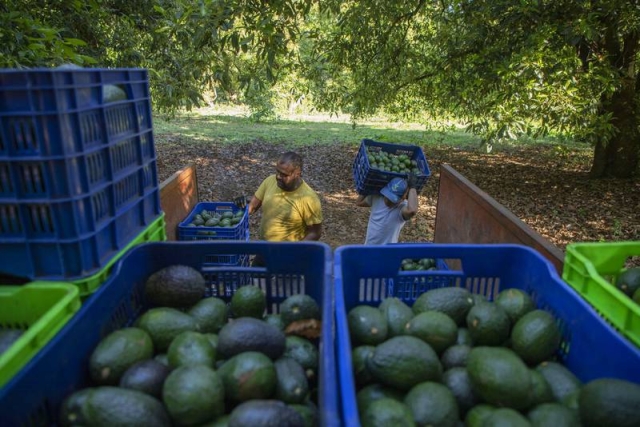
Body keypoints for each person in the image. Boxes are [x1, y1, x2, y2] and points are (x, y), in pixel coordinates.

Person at [235, 151, 323, 246]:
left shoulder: (308, 198)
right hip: (264, 246)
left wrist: (297, 250)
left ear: (297, 174)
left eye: (284, 175)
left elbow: (315, 232)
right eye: (277, 172)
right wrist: (243, 206)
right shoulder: (269, 181)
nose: (278, 177)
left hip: (287, 252)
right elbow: (252, 207)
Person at [356, 174, 419, 244]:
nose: (388, 201)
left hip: (387, 252)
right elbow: (359, 202)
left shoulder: (401, 209)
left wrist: (413, 187)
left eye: (393, 200)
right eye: (388, 196)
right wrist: (367, 186)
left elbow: (412, 210)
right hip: (369, 248)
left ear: (403, 198)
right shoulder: (377, 197)